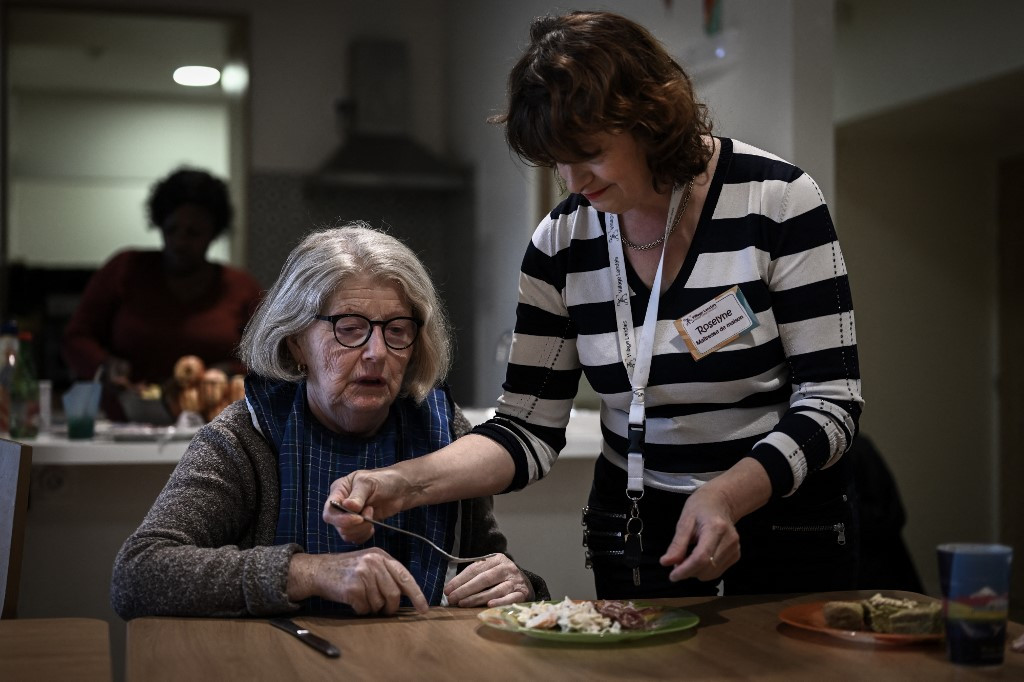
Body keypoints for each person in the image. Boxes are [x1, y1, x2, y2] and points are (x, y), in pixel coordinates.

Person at [328, 10, 863, 600]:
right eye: (557, 160)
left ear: (651, 119)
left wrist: (727, 494)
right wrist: (401, 484)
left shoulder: (777, 200)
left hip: (780, 520)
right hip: (634, 532)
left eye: (589, 153)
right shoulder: (561, 243)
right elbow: (525, 428)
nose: (574, 179)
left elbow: (831, 403)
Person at [110, 223, 547, 618]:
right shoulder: (246, 436)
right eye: (349, 327)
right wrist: (307, 572)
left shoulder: (445, 434)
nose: (377, 352)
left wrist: (522, 586)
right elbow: (138, 574)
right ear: (297, 342)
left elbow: (487, 568)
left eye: (397, 329)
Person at [62, 167, 263, 420]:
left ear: (213, 233)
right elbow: (76, 337)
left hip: (215, 427)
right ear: (159, 224)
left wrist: (231, 371)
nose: (180, 242)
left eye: (193, 233)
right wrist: (105, 364)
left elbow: (270, 355)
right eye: (171, 229)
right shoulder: (126, 269)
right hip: (129, 421)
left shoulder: (240, 286)